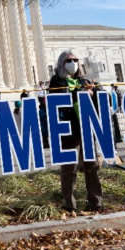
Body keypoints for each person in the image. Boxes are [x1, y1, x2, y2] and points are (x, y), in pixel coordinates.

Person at [48, 51, 103, 213]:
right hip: (68, 130)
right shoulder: (57, 81)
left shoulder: (83, 80)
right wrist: (79, 94)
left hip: (85, 128)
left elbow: (97, 100)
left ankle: (96, 202)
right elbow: (59, 101)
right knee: (69, 170)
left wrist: (94, 91)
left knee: (92, 167)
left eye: (75, 60)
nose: (73, 63)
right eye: (68, 60)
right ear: (61, 63)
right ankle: (69, 204)